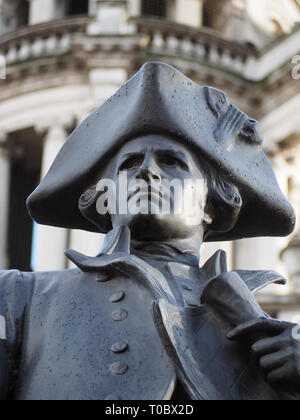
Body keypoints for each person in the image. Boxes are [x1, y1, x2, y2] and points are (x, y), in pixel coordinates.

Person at [0, 62, 299, 400]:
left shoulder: (270, 335)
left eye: (171, 162)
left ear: (215, 200)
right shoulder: (16, 296)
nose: (146, 173)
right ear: (104, 197)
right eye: (129, 164)